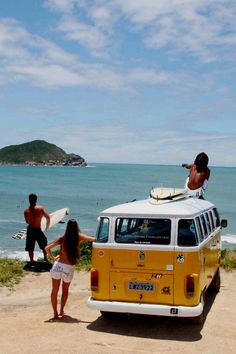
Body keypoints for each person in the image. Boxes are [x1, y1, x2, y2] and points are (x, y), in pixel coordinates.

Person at [45, 219, 95, 320]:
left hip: (57, 266)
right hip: (68, 267)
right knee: (65, 290)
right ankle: (61, 311)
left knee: (54, 291)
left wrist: (54, 258)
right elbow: (93, 239)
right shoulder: (79, 236)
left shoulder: (62, 238)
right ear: (76, 226)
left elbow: (47, 248)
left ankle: (55, 313)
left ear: (67, 227)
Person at [24, 194, 50, 263]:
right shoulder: (40, 209)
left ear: (29, 200)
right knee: (44, 244)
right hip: (38, 230)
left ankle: (32, 261)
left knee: (30, 247)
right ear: (36, 200)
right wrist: (47, 226)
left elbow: (27, 222)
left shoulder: (26, 211)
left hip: (30, 230)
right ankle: (45, 258)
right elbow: (48, 217)